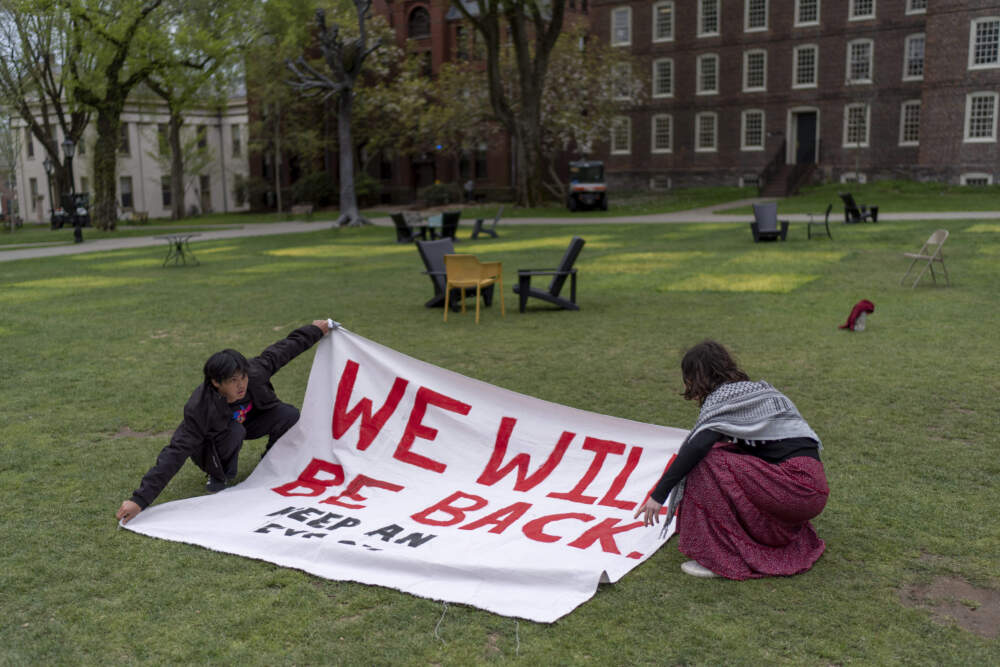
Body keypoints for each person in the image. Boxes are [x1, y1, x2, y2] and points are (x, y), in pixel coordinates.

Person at [634, 340, 829, 580]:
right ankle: (745, 541)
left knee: (708, 459)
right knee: (720, 451)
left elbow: (697, 446)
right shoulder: (756, 392)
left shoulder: (725, 399)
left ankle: (718, 557)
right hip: (812, 489)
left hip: (794, 488)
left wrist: (658, 495)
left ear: (697, 376)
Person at [116, 319, 336, 525]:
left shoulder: (255, 373)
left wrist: (316, 330)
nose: (241, 386)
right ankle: (218, 472)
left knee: (288, 414)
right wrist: (140, 500)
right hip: (216, 440)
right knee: (235, 431)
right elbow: (175, 452)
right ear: (216, 383)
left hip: (249, 422)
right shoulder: (200, 407)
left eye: (243, 378)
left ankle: (271, 463)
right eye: (233, 381)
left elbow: (283, 350)